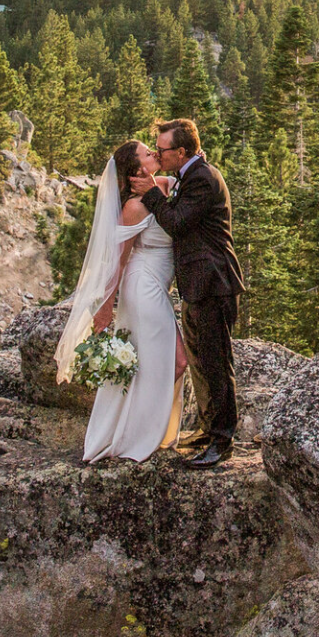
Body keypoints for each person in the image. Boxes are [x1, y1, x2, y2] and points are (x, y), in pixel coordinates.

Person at [57, 139, 191, 463]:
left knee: (165, 362)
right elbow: (117, 261)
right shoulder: (133, 207)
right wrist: (105, 311)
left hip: (160, 287)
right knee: (176, 361)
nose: (154, 154)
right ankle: (134, 437)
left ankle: (148, 430)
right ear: (137, 169)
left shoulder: (164, 185)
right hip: (142, 287)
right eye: (148, 153)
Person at [134, 118, 243, 468]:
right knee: (199, 361)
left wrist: (149, 192)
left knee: (215, 362)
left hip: (214, 283)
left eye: (162, 149)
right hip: (198, 284)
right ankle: (209, 429)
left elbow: (177, 222)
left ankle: (222, 440)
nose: (158, 153)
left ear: (181, 152)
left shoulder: (203, 180)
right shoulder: (190, 174)